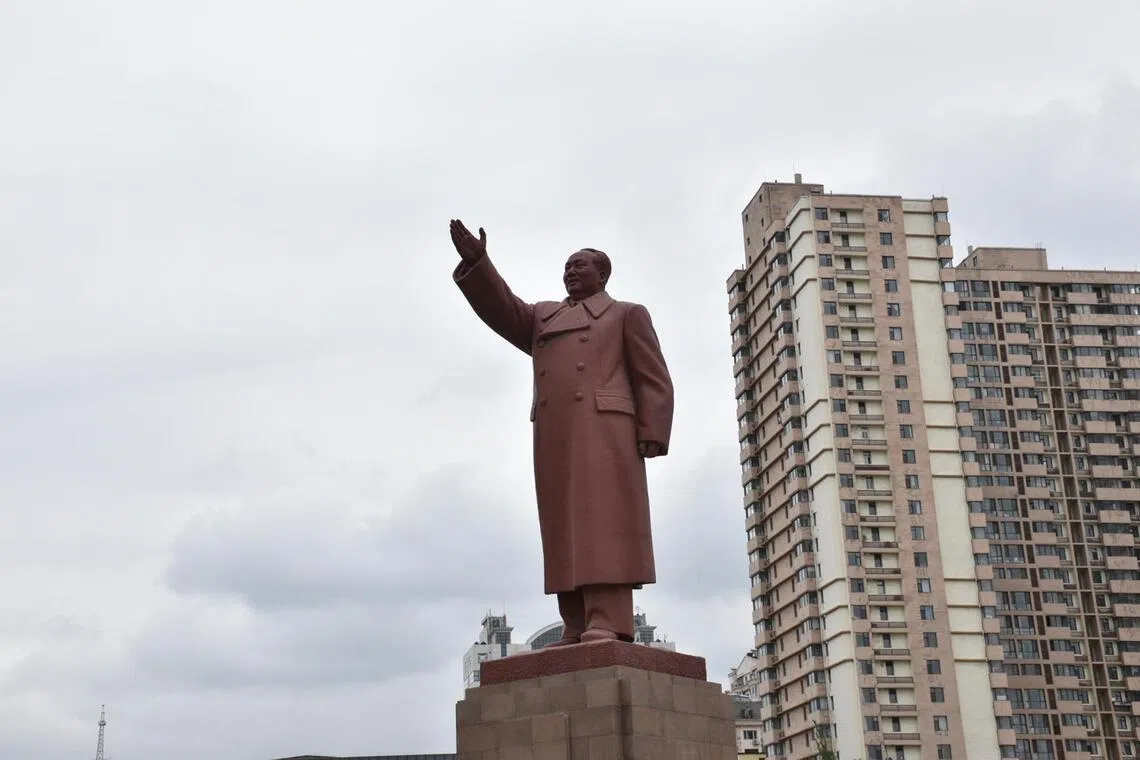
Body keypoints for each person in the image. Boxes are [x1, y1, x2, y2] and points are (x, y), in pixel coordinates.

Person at [449, 219, 674, 645]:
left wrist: (653, 429)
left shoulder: (626, 314)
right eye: (567, 267)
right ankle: (575, 621)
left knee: (604, 524)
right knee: (562, 527)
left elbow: (653, 376)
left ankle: (609, 620)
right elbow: (504, 309)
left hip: (606, 432)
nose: (570, 272)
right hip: (555, 433)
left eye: (580, 266)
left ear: (602, 275)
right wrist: (480, 264)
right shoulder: (543, 317)